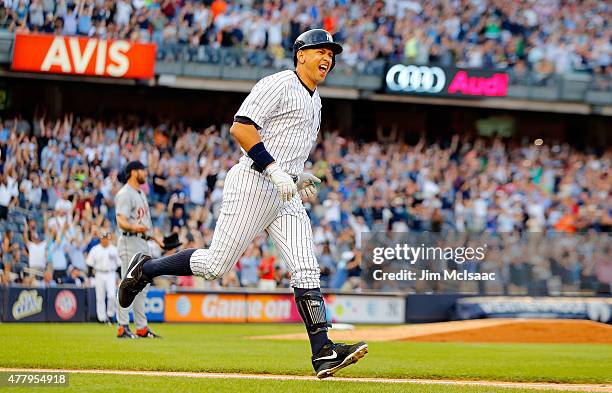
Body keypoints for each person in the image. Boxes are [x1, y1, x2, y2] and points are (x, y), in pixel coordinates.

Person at [118, 29, 367, 378]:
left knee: (306, 266)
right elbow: (242, 128)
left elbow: (284, 148)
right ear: (301, 55)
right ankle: (145, 269)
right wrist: (277, 170)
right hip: (254, 181)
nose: (328, 58)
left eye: (332, 53)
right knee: (216, 266)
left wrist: (296, 175)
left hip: (283, 191)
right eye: (320, 51)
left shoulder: (316, 99)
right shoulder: (279, 83)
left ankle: (323, 351)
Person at [114, 161, 163, 339]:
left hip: (142, 242)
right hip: (130, 241)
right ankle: (122, 326)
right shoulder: (125, 193)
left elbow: (144, 226)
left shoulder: (140, 193)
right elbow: (121, 221)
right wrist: (135, 228)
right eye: (142, 170)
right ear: (134, 172)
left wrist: (156, 239)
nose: (145, 173)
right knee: (126, 285)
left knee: (142, 287)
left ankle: (141, 328)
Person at [86, 232, 121, 324]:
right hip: (99, 273)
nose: (105, 240)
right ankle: (101, 318)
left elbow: (119, 265)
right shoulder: (95, 249)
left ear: (108, 239)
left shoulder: (114, 249)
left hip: (111, 273)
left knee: (112, 296)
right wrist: (89, 277)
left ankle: (110, 315)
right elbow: (89, 264)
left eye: (106, 238)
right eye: (103, 238)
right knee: (100, 297)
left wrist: (120, 277)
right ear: (100, 239)